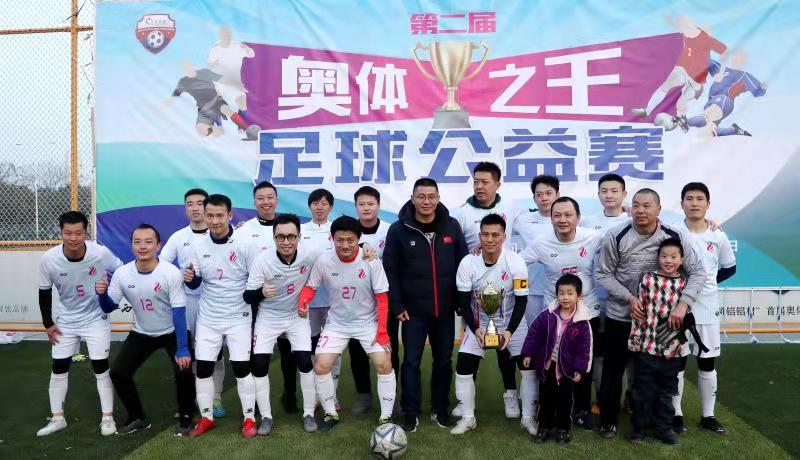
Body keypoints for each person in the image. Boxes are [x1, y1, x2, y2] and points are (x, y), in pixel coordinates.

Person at [595, 188, 706, 439]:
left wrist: (683, 305)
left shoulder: (674, 235)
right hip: (620, 315)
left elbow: (698, 272)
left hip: (661, 322)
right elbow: (603, 274)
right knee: (613, 370)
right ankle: (608, 420)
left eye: (647, 205)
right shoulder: (616, 235)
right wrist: (629, 297)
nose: (640, 210)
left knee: (656, 374)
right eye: (636, 205)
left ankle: (656, 422)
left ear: (658, 209)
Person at [383, 178, 469, 433]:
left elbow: (463, 264)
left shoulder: (451, 226)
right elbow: (390, 270)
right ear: (412, 198)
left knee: (443, 361)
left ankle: (439, 409)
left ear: (438, 198)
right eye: (421, 196)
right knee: (411, 362)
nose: (426, 201)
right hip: (412, 311)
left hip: (444, 309)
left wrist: (460, 301)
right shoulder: (398, 229)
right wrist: (397, 304)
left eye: (431, 196)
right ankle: (410, 412)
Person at [298, 216, 395, 431]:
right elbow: (311, 287)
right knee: (321, 366)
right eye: (340, 240)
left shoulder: (371, 260)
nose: (345, 245)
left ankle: (386, 417)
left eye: (350, 240)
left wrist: (382, 331)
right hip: (337, 324)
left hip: (367, 323)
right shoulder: (324, 260)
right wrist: (303, 302)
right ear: (332, 238)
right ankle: (330, 413)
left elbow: (382, 298)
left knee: (384, 364)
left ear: (358, 239)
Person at [96, 224, 194, 436]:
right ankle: (137, 417)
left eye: (148, 242)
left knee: (184, 369)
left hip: (172, 330)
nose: (142, 246)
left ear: (158, 246)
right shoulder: (123, 273)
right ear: (131, 246)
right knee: (118, 372)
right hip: (142, 332)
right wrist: (102, 294)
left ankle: (187, 417)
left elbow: (178, 312)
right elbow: (109, 307)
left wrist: (183, 348)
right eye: (137, 242)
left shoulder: (170, 272)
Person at [36, 211, 123, 437]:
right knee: (59, 368)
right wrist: (48, 323)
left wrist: (109, 291)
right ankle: (58, 418)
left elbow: (121, 271)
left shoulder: (100, 253)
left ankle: (108, 418)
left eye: (78, 233)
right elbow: (44, 291)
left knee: (100, 368)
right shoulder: (49, 259)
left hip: (95, 319)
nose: (73, 238)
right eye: (68, 233)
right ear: (61, 233)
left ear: (86, 233)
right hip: (66, 321)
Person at [519, 197, 602, 431]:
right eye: (557, 215)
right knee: (552, 363)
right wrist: (485, 253)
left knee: (583, 363)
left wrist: (626, 214)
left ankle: (582, 411)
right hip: (554, 315)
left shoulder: (593, 237)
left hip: (587, 312)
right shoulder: (541, 243)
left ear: (578, 217)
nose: (562, 219)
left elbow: (618, 242)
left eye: (568, 215)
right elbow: (516, 262)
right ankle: (549, 411)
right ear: (551, 218)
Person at [451, 162, 524, 419]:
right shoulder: (461, 213)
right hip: (475, 291)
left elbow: (539, 221)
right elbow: (455, 245)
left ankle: (511, 394)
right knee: (471, 352)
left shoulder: (513, 209)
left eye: (485, 182)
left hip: (504, 288)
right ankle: (465, 401)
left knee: (506, 348)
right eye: (476, 181)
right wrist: (470, 257)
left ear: (497, 184)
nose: (479, 186)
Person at [183, 194, 259, 438]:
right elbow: (195, 283)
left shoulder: (245, 243)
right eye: (210, 216)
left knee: (241, 368)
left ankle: (249, 419)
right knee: (203, 368)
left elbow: (256, 280)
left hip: (239, 316)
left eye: (219, 215)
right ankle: (207, 418)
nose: (214, 221)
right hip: (209, 317)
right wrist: (190, 279)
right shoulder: (198, 246)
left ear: (230, 215)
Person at [450, 214, 534, 435]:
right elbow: (463, 302)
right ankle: (468, 418)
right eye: (485, 234)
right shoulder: (468, 262)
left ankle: (528, 418)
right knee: (463, 366)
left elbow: (521, 301)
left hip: (511, 323)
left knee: (528, 367)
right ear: (479, 236)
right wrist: (475, 328)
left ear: (504, 237)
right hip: (479, 323)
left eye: (495, 235)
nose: (490, 239)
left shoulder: (515, 261)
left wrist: (509, 331)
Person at [244, 214, 318, 435]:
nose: (286, 242)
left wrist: (364, 248)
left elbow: (336, 254)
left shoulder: (309, 255)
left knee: (305, 361)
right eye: (281, 237)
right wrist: (261, 292)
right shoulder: (263, 260)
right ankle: (266, 417)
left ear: (299, 237)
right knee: (259, 364)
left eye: (291, 237)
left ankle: (308, 414)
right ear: (274, 237)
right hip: (269, 316)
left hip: (296, 316)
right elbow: (248, 296)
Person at [672, 182, 736, 434]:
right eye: (689, 198)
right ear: (682, 204)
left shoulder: (717, 235)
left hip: (707, 306)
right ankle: (676, 414)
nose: (694, 203)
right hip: (677, 306)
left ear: (708, 204)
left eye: (700, 199)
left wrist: (705, 285)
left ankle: (708, 416)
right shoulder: (674, 233)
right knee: (677, 361)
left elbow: (730, 268)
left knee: (707, 362)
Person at [161, 188, 228, 418]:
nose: (195, 208)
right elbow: (162, 266)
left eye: (200, 203)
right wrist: (181, 276)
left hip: (214, 302)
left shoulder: (220, 235)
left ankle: (215, 399)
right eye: (190, 204)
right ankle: (189, 401)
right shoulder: (178, 237)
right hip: (187, 302)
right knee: (187, 352)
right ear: (185, 208)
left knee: (214, 353)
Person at [238, 181, 299, 413]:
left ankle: (290, 395)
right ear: (254, 202)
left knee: (288, 351)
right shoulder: (244, 230)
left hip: (287, 298)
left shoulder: (287, 227)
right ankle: (256, 402)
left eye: (270, 197)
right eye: (260, 198)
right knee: (257, 354)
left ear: (276, 199)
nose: (266, 202)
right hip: (257, 298)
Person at [628, 239, 688, 445]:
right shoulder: (647, 279)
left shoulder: (684, 285)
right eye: (664, 256)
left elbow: (685, 319)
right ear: (658, 258)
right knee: (643, 391)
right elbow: (638, 313)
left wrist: (680, 345)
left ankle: (664, 429)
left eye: (673, 257)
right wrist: (635, 339)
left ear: (682, 260)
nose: (668, 260)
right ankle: (638, 429)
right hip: (647, 347)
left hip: (671, 350)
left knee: (666, 392)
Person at [579, 173, 630, 413]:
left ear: (624, 194)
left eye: (614, 191)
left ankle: (628, 398)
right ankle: (601, 399)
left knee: (625, 351)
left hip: (625, 298)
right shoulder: (588, 222)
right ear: (598, 194)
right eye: (604, 191)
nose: (609, 195)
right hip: (594, 297)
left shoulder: (632, 220)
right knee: (597, 350)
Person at [523, 274, 593, 444]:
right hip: (547, 367)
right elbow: (534, 334)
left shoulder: (582, 322)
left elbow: (584, 349)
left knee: (565, 400)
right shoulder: (547, 315)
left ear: (579, 296)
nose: (565, 297)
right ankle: (543, 428)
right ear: (557, 295)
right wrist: (528, 353)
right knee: (545, 398)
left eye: (570, 293)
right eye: (561, 293)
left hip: (567, 370)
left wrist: (580, 369)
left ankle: (563, 429)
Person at [349, 186, 394, 415]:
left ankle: (392, 396)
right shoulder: (350, 231)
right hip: (356, 300)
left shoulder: (390, 230)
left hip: (385, 297)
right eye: (361, 204)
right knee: (357, 349)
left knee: (388, 346)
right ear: (355, 206)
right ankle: (364, 393)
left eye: (370, 204)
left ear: (378, 205)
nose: (366, 208)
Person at [514, 175, 561, 324]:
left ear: (557, 195)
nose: (544, 198)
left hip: (559, 289)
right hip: (531, 288)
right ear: (534, 198)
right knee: (533, 330)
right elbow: (500, 231)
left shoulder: (569, 218)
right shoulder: (522, 220)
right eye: (539, 195)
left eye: (548, 193)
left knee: (558, 331)